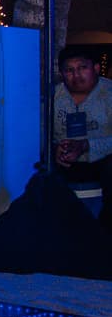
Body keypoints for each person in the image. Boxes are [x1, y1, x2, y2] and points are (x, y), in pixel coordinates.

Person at [53, 46, 111, 226]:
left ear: (95, 68)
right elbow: (36, 132)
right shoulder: (53, 95)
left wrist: (86, 146)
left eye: (82, 68)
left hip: (103, 162)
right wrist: (55, 149)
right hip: (63, 162)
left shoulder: (108, 94)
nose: (76, 76)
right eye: (69, 70)